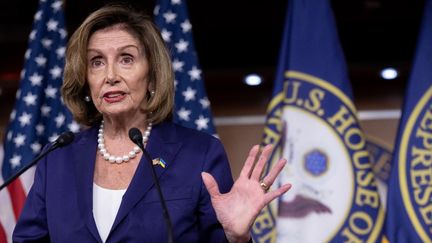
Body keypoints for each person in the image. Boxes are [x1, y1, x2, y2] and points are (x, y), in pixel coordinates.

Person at [13, 4, 291, 243]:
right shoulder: (57, 158)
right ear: (85, 79)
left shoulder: (199, 154)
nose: (110, 75)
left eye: (126, 59)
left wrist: (236, 238)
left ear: (153, 76)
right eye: (97, 62)